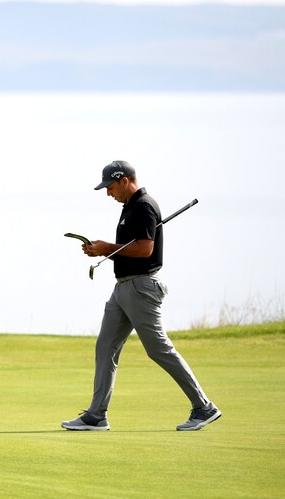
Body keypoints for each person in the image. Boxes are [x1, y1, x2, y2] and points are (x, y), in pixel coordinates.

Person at [62, 160, 221, 432]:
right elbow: (128, 246)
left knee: (158, 349)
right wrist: (104, 250)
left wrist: (106, 248)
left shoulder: (144, 206)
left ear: (124, 181)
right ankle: (96, 415)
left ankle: (203, 406)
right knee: (105, 347)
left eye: (110, 187)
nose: (108, 193)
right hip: (122, 288)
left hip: (141, 287)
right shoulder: (129, 208)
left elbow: (145, 249)